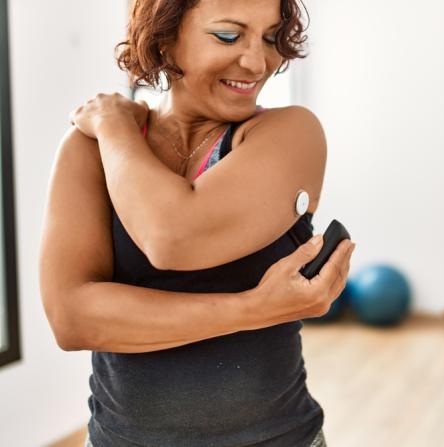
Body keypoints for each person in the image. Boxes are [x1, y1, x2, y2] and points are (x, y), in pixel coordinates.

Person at [38, 0, 356, 446]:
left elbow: (172, 238)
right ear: (165, 40)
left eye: (269, 37)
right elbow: (72, 319)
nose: (256, 60)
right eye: (228, 35)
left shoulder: (290, 133)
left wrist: (113, 125)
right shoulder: (89, 148)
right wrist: (254, 308)